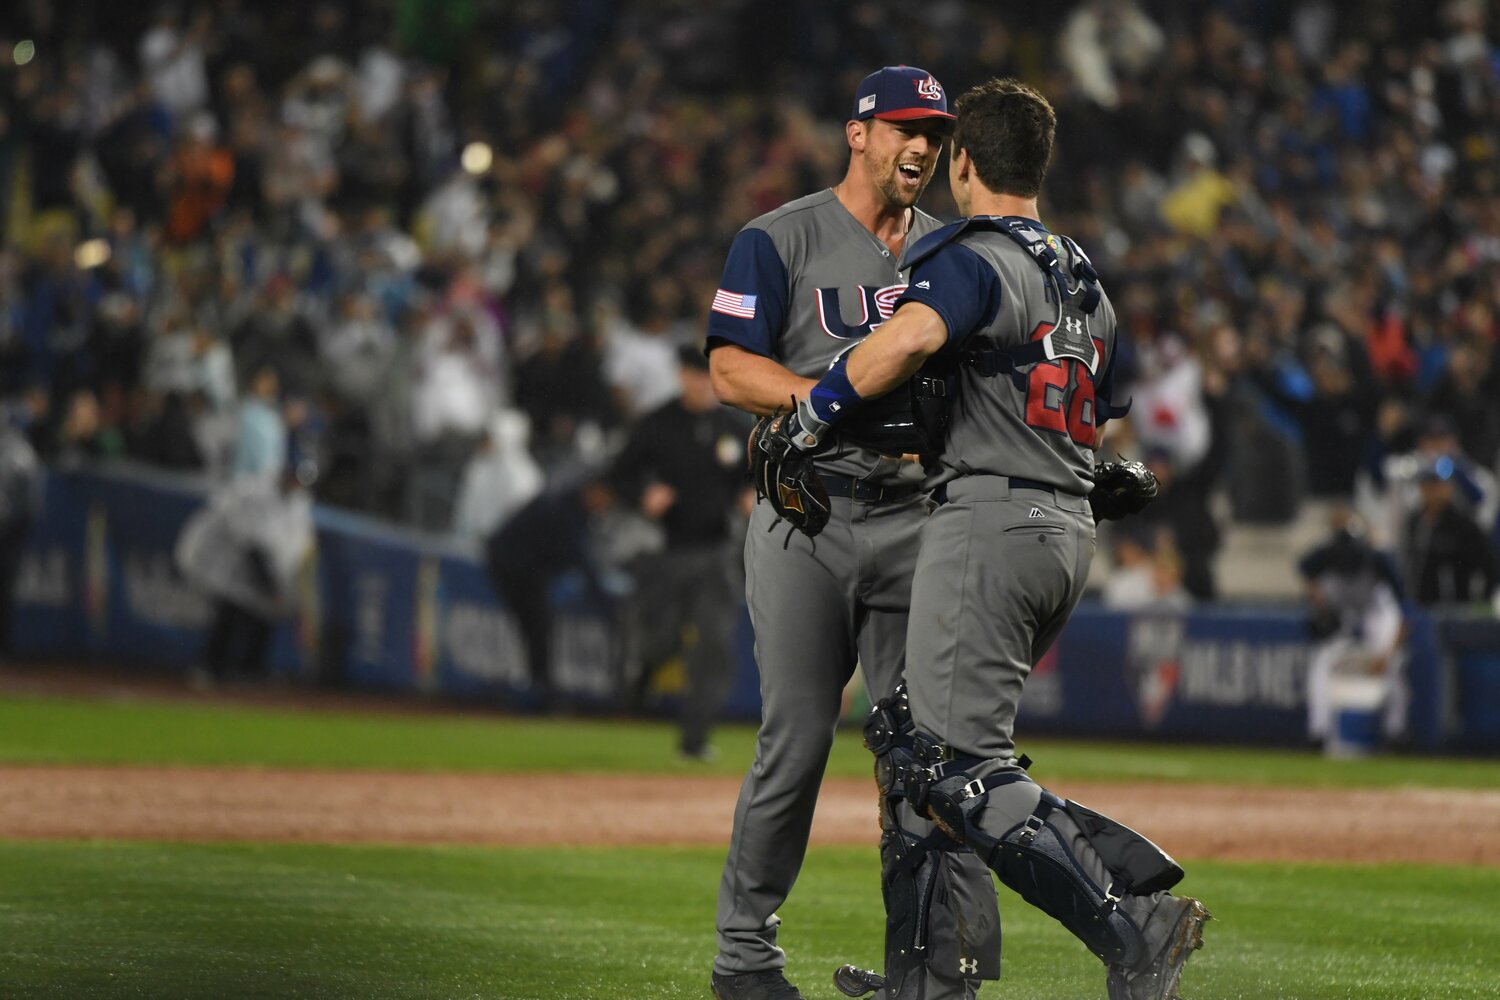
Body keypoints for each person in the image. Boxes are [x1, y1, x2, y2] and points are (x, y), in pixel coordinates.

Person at [783, 79, 1209, 1000]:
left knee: (955, 768)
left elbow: (908, 340)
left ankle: (1133, 924)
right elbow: (1082, 409)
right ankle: (931, 980)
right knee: (915, 746)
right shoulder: (1083, 275)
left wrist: (810, 414)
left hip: (989, 522)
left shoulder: (973, 256)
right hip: (1062, 529)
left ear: (964, 163)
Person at [704, 66, 1000, 1000]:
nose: (922, 147)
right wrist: (831, 400)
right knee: (796, 740)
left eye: (935, 135)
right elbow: (728, 370)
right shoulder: (778, 237)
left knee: (923, 753)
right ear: (857, 133)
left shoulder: (953, 251)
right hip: (811, 515)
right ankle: (745, 959)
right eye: (905, 128)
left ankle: (927, 970)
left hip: (919, 519)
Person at [611, 346, 753, 760]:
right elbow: (618, 475)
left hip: (718, 552)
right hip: (668, 551)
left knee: (714, 645)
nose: (702, 383)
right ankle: (642, 672)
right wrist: (643, 494)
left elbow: (754, 474)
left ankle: (694, 739)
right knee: (664, 638)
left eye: (708, 375)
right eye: (695, 374)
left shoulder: (731, 425)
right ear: (682, 376)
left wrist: (750, 492)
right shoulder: (658, 423)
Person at [175, 458, 316, 685]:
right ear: (285, 472)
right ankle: (209, 668)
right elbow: (254, 549)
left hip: (249, 562)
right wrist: (275, 591)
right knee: (233, 606)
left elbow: (296, 550)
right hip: (215, 556)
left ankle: (250, 669)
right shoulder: (254, 492)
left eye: (302, 481)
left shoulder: (299, 502)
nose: (297, 484)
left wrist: (288, 594)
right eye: (295, 478)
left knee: (263, 608)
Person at [1299, 509, 1407, 747]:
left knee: (1394, 666)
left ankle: (1395, 730)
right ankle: (1318, 731)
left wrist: (1387, 654)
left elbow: (1403, 612)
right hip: (1343, 614)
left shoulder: (1380, 560)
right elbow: (1304, 569)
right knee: (1320, 664)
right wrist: (1317, 597)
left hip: (1376, 614)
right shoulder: (1324, 554)